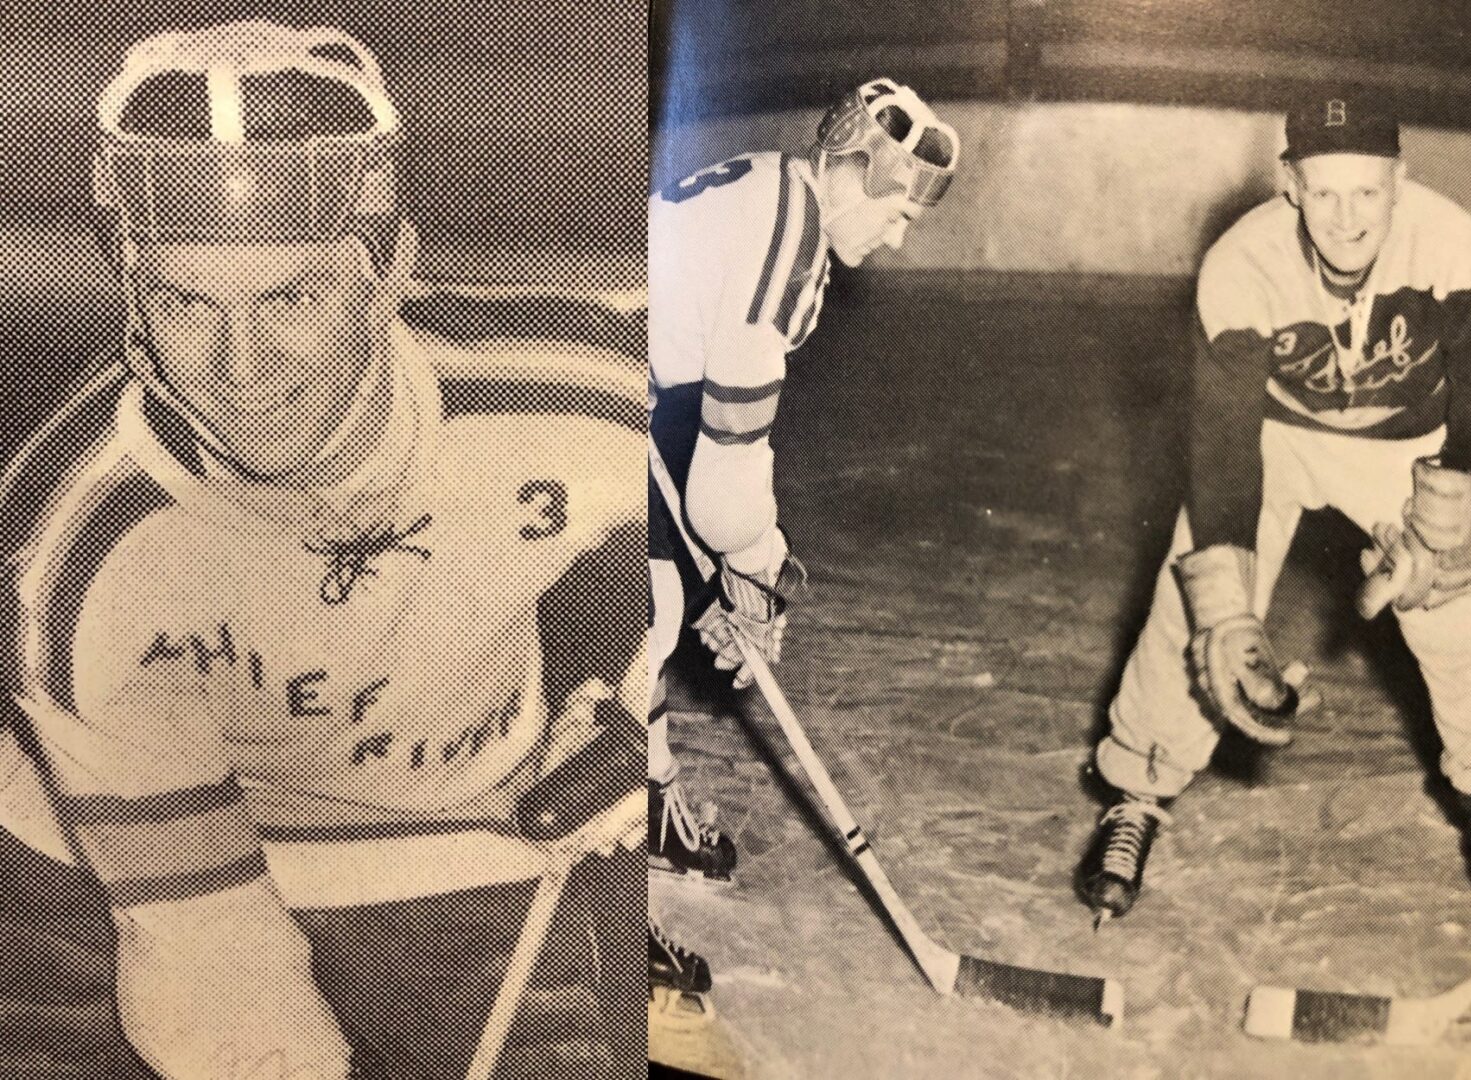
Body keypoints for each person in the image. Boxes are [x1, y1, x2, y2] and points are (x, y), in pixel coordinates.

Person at [0, 21, 645, 1078]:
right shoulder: (83, 550)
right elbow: (213, 966)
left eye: (291, 296)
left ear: (390, 266)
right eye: (184, 301)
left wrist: (646, 720)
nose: (239, 367)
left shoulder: (580, 393)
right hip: (108, 891)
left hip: (472, 856)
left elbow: (743, 491)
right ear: (132, 289)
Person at [1076, 90, 1471, 931]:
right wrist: (1228, 612)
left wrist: (1442, 520)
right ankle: (1139, 787)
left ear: (1400, 179)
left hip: (1407, 444)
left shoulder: (1449, 237)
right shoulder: (1242, 264)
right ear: (1290, 185)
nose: (1347, 218)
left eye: (1368, 192)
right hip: (1277, 436)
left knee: (1467, 604)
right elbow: (1225, 442)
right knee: (1195, 604)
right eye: (1325, 192)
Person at [647, 78, 959, 997]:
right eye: (896, 209)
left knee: (656, 611)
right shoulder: (788, 249)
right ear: (850, 167)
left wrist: (739, 573)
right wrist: (757, 574)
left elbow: (706, 432)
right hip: (583, 374)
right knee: (633, 630)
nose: (900, 235)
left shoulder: (783, 193)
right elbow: (725, 495)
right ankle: (599, 900)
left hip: (627, 371)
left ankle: (650, 799)